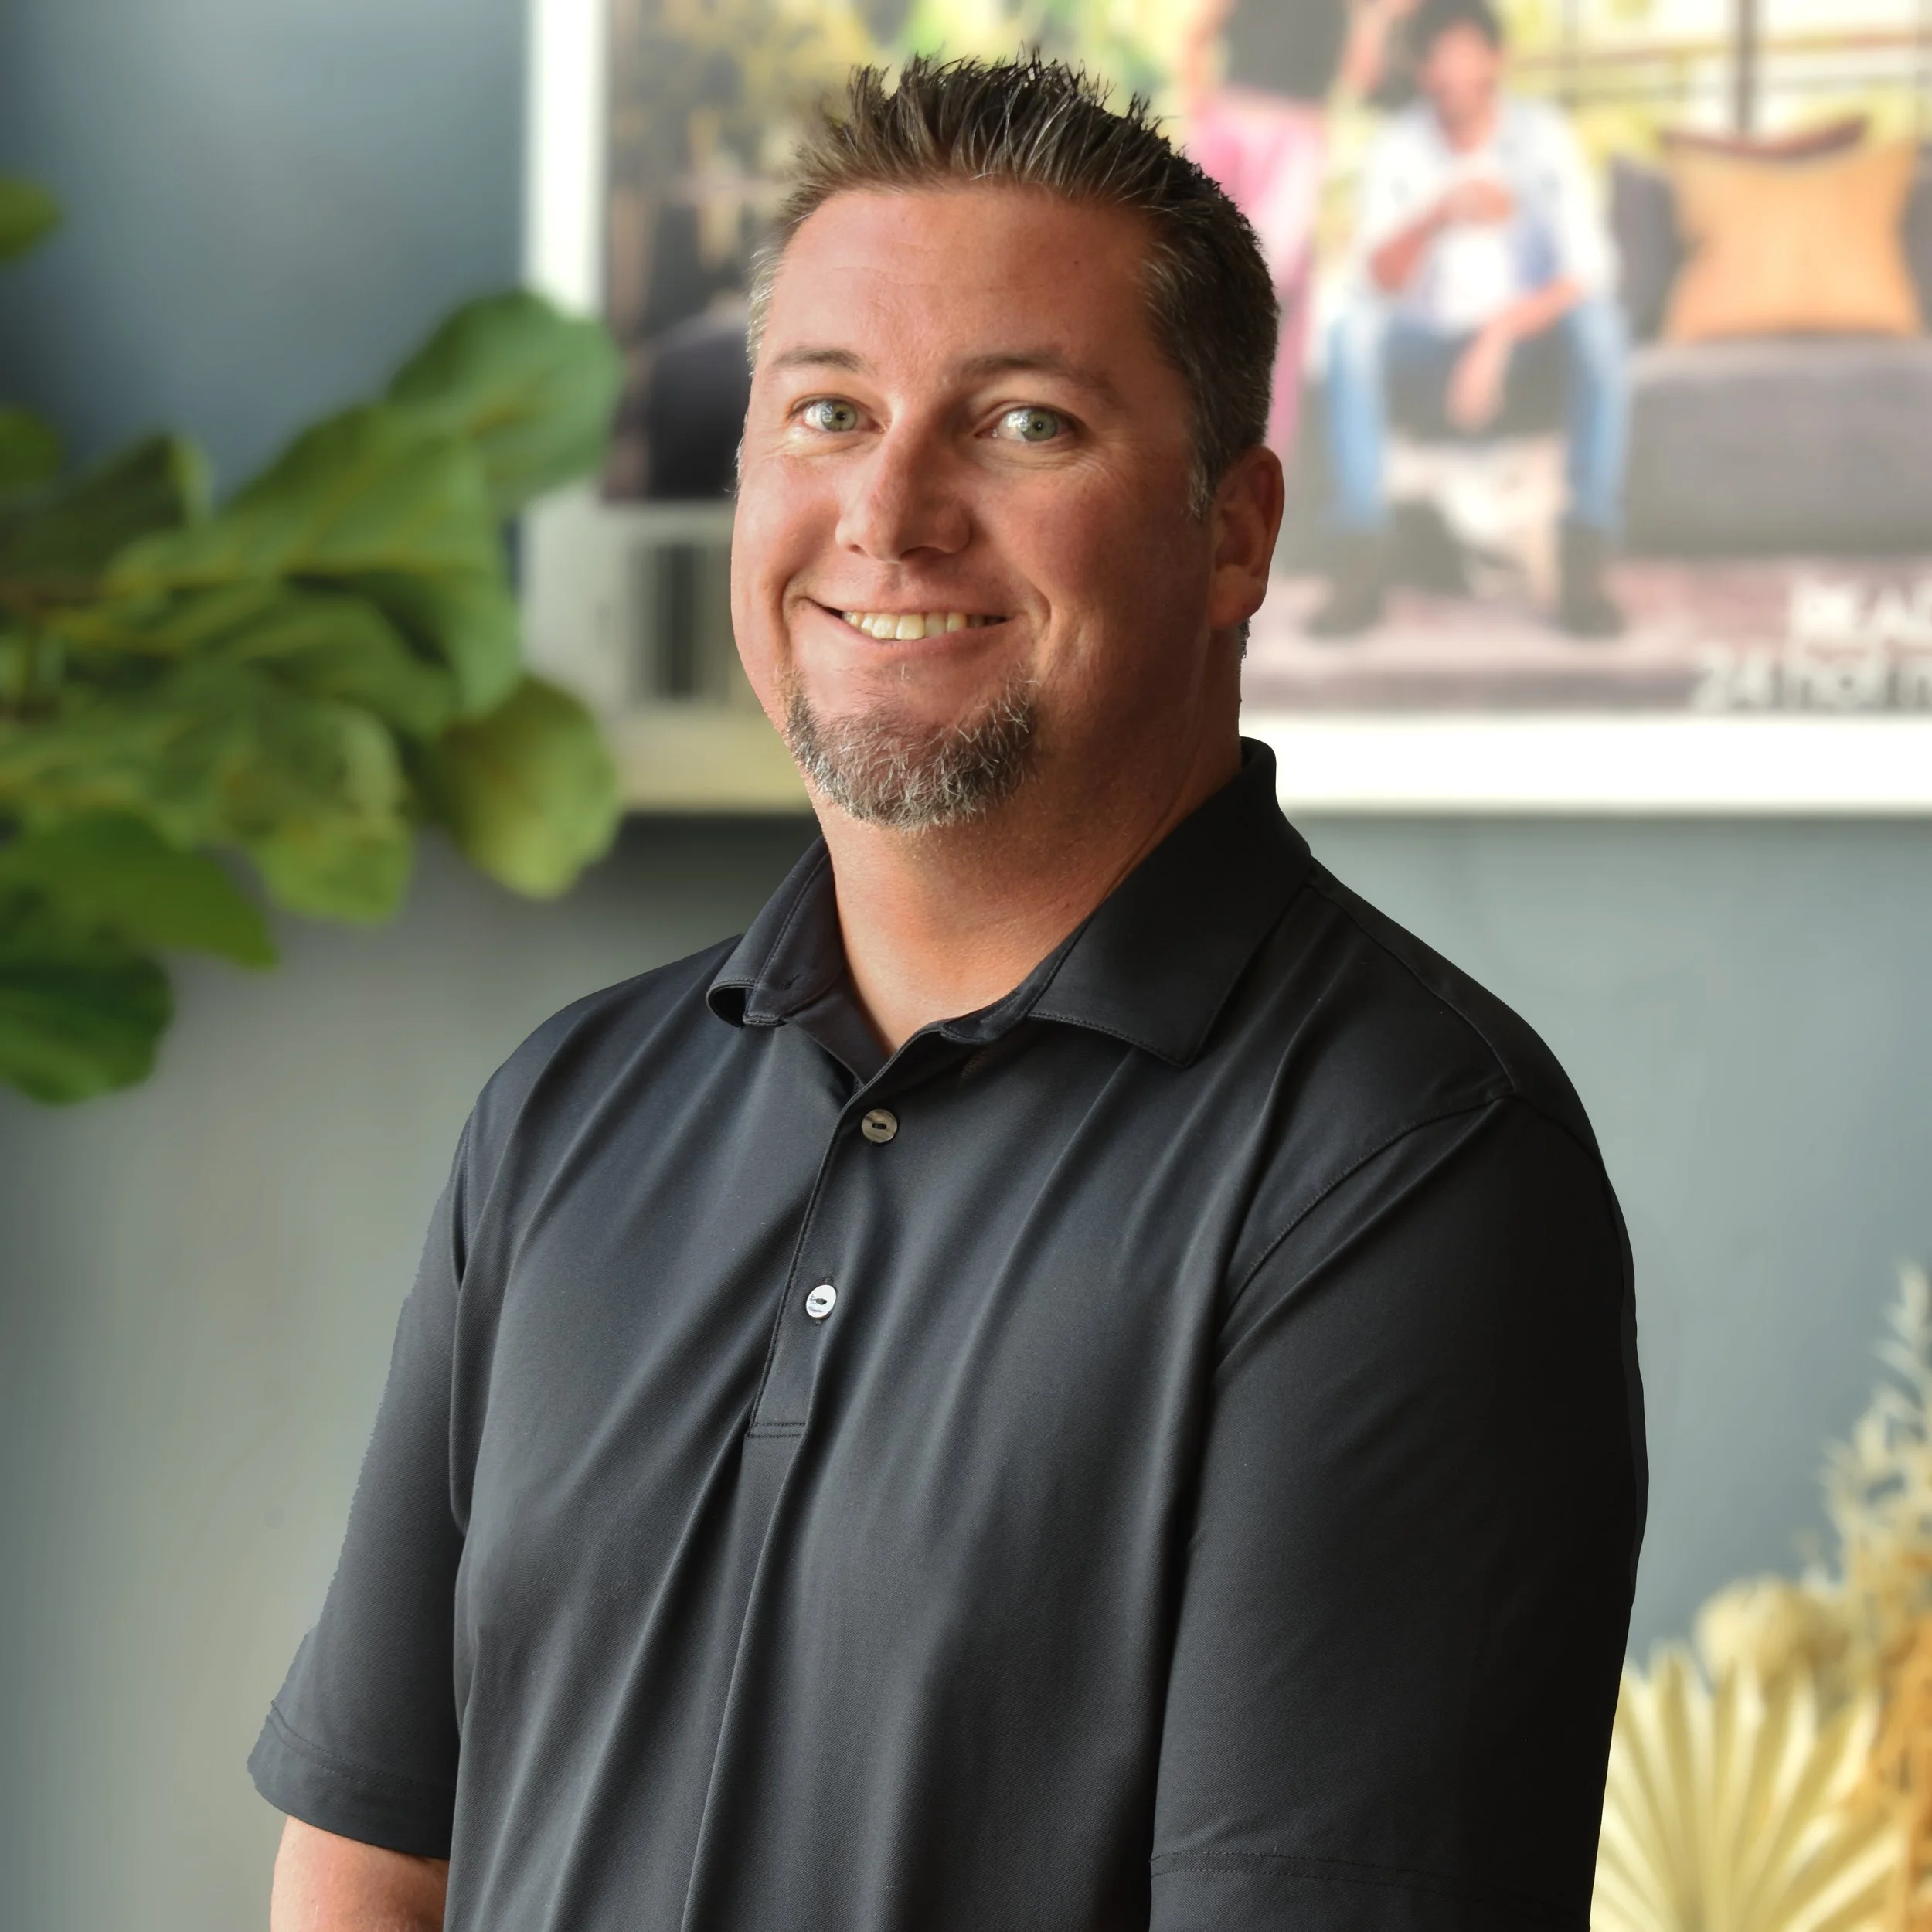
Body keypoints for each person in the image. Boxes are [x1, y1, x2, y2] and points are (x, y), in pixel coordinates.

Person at [253, 57, 1645, 1932]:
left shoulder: (1406, 1175)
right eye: (826, 411)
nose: (889, 512)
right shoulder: (564, 1116)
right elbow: (370, 1864)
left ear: (1232, 531)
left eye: (1022, 425)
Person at [1309, 0, 1631, 639]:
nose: (1453, 71)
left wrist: (1499, 336)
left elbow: (1588, 269)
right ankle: (1361, 558)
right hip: (1426, 345)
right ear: (1423, 72)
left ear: (1495, 58)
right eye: (1438, 58)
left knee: (1601, 327)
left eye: (1465, 52)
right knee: (1351, 332)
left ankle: (1586, 562)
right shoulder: (1399, 145)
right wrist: (1439, 214)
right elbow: (1377, 278)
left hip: (1524, 345)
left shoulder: (1543, 138)